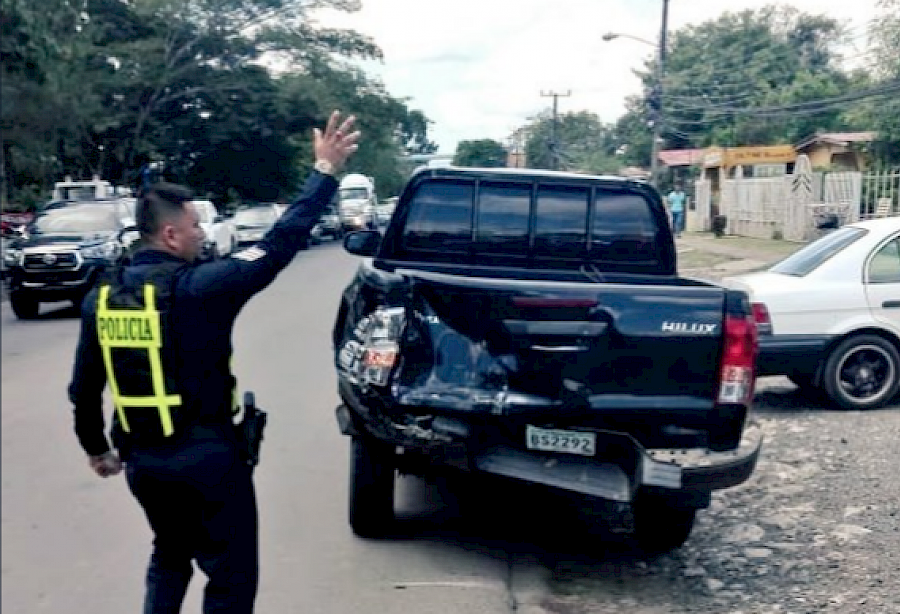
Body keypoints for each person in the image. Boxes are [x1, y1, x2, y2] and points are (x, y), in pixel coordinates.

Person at [68, 110, 360, 613]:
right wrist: (324, 174)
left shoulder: (104, 298)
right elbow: (278, 243)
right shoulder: (201, 289)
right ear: (170, 236)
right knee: (230, 574)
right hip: (209, 461)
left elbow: (84, 387)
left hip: (144, 464)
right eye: (196, 225)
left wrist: (97, 449)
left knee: (169, 556)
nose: (204, 233)